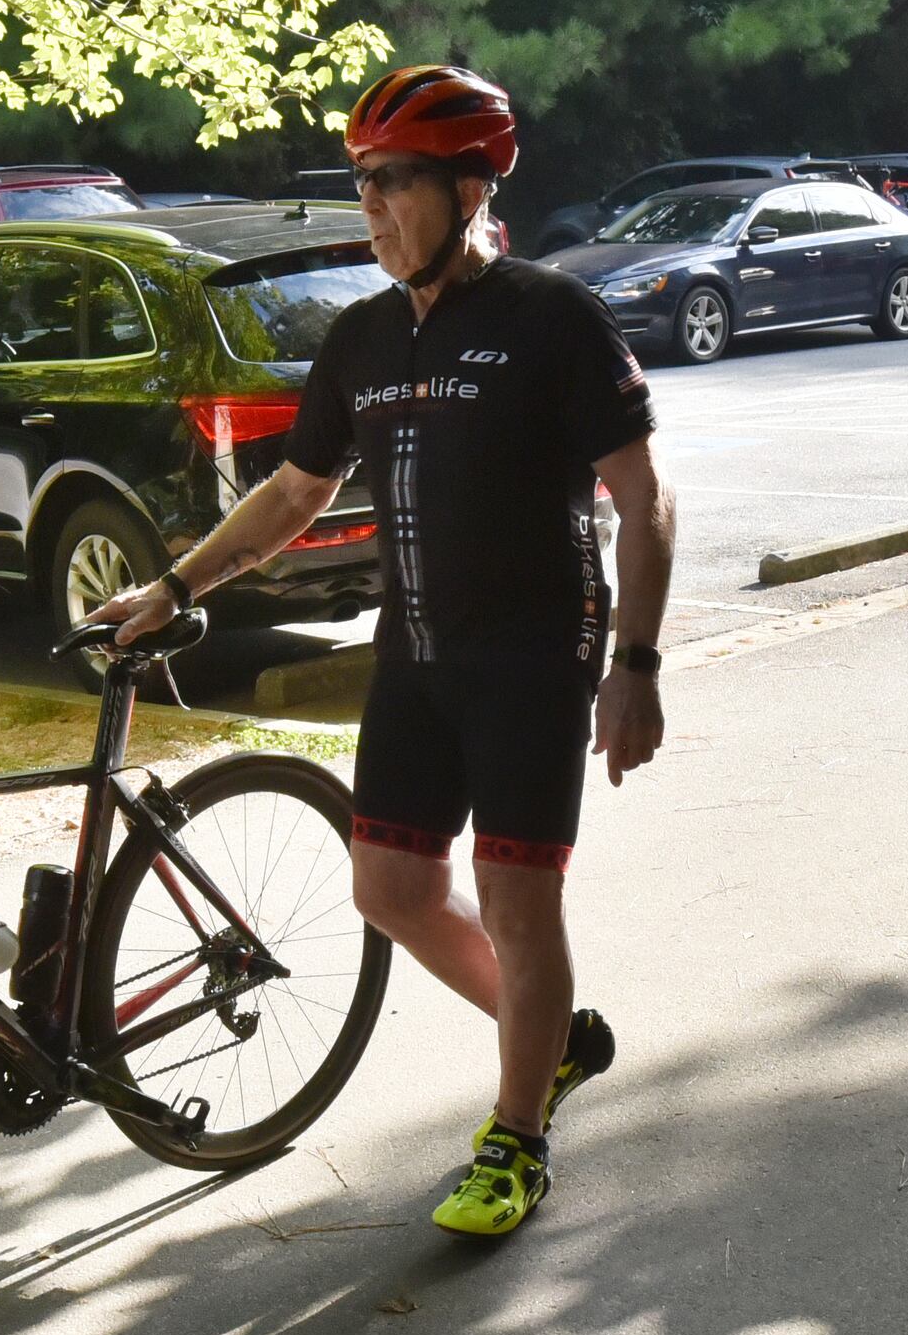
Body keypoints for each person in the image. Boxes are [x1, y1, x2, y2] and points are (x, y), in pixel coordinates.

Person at [98, 62, 674, 1237]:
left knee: (520, 903)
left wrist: (636, 664)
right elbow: (294, 497)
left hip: (533, 657)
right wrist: (172, 582)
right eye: (360, 185)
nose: (371, 209)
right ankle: (551, 1043)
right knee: (392, 890)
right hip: (413, 657)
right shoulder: (360, 339)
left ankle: (516, 1138)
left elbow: (646, 498)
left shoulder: (549, 316)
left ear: (470, 185)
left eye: (392, 184)